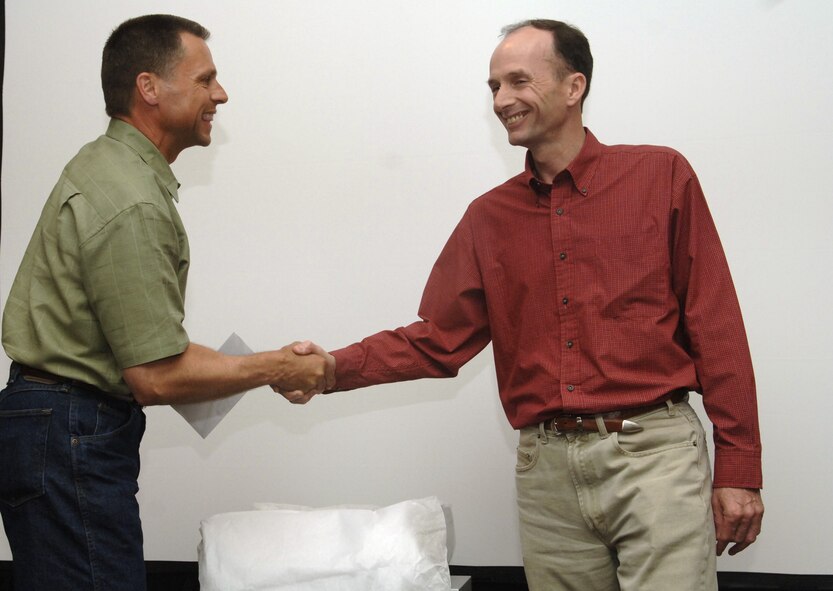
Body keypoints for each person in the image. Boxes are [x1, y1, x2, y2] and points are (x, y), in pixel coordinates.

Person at [288, 19, 763, 591]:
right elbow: (438, 340)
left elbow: (716, 325)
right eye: (494, 86)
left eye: (518, 81)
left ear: (573, 86)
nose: (501, 100)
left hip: (656, 458)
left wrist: (739, 468)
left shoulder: (660, 175)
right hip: (547, 476)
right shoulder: (488, 217)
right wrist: (331, 367)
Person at [0, 14, 334, 591]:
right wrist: (278, 367)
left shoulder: (109, 167)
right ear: (148, 87)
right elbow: (155, 375)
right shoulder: (132, 200)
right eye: (205, 79)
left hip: (56, 427)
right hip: (70, 432)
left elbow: (147, 353)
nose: (220, 95)